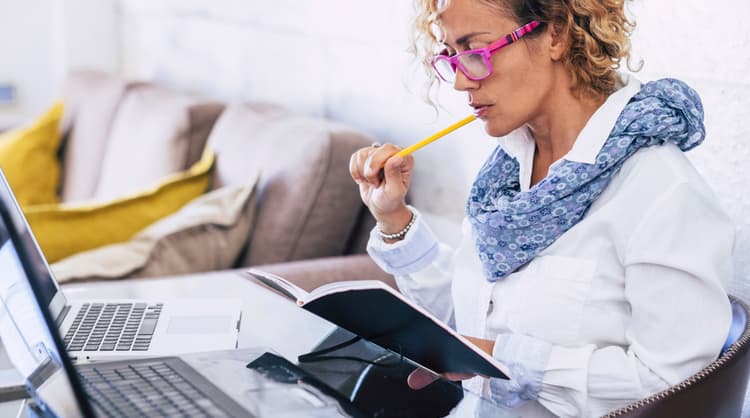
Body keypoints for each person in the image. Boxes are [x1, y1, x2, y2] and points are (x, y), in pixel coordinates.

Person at [348, 0, 735, 417]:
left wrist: (507, 360)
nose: (460, 82)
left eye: (475, 51)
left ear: (557, 34)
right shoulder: (504, 174)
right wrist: (393, 219)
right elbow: (474, 323)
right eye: (451, 56)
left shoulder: (663, 192)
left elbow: (675, 386)